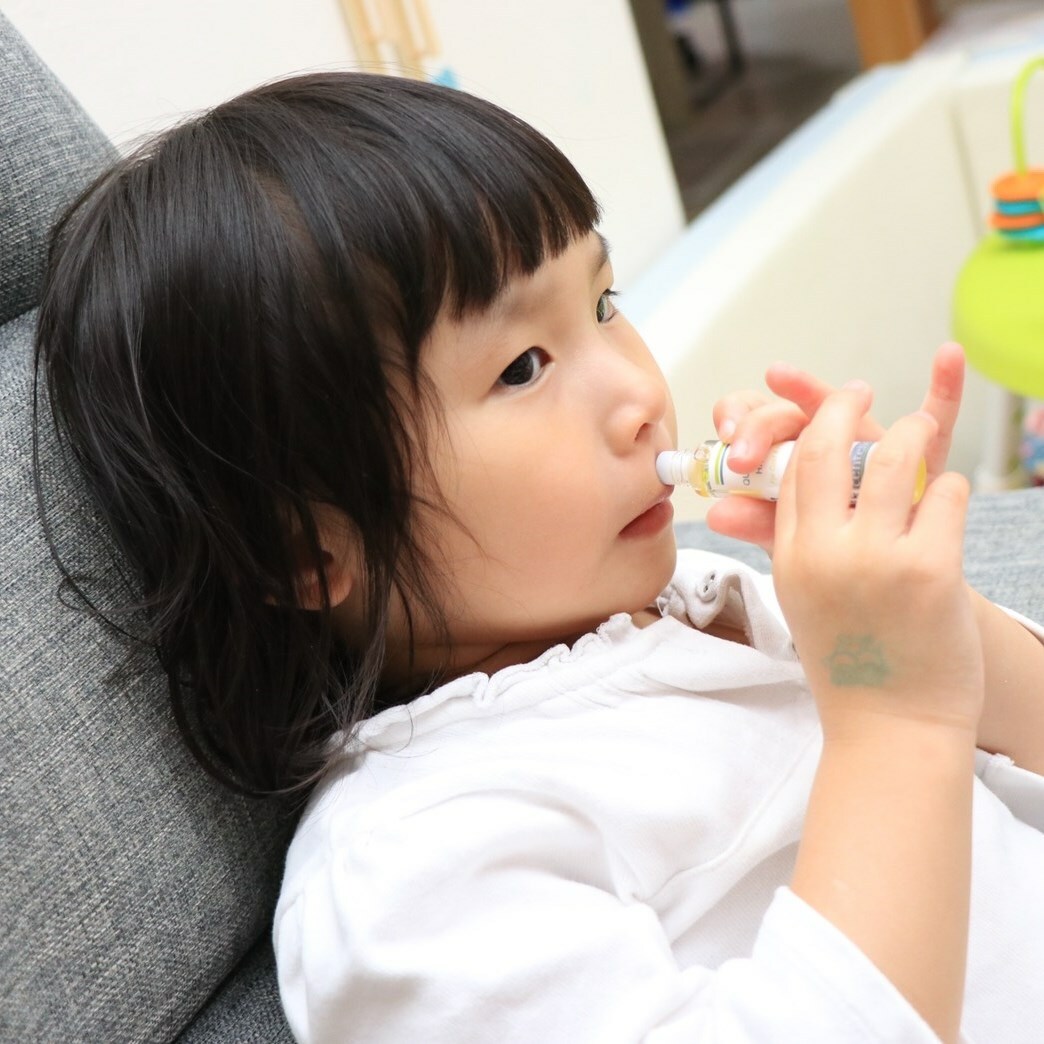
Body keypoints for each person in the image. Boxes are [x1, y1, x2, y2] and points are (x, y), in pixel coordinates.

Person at [33, 72, 1044, 1043]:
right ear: (304, 549)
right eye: (523, 367)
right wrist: (890, 712)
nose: (640, 394)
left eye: (604, 303)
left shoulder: (707, 603)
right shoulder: (418, 866)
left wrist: (922, 622)